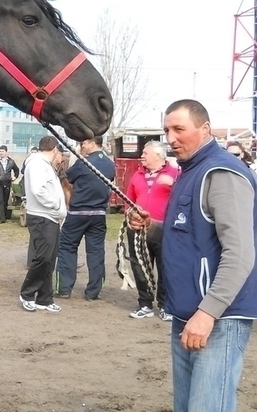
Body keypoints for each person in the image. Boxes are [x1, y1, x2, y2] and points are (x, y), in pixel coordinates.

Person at [129, 99, 256, 412]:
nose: (170, 138)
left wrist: (208, 312)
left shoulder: (222, 173)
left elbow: (241, 253)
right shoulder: (189, 172)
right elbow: (192, 237)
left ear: (205, 129)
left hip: (218, 319)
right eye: (166, 130)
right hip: (187, 315)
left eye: (179, 129)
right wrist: (152, 227)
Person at [55, 136, 116, 300]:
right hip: (99, 214)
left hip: (78, 213)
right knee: (96, 252)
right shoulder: (110, 165)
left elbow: (69, 178)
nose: (81, 146)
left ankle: (64, 288)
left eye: (83, 143)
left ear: (92, 143)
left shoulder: (84, 162)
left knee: (67, 247)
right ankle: (93, 292)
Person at [126, 140, 179, 321]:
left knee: (165, 266)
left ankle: (165, 306)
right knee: (139, 265)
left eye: (145, 153)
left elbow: (185, 198)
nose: (141, 156)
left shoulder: (176, 173)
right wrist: (131, 213)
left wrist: (173, 184)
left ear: (158, 155)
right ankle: (145, 304)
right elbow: (129, 199)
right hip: (139, 229)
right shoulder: (137, 175)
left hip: (165, 228)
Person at [19, 136, 67, 313]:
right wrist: (54, 204)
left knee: (49, 260)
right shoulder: (38, 164)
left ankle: (45, 298)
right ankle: (27, 293)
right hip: (42, 217)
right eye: (59, 152)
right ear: (54, 149)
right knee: (43, 258)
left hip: (51, 218)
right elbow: (37, 190)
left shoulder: (45, 165)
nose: (60, 156)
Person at [0, 145, 19, 223]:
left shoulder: (11, 161)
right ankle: (1, 218)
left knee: (5, 200)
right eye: (0, 151)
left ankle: (5, 216)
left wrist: (15, 177)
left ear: (6, 152)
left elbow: (16, 170)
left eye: (2, 151)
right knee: (0, 201)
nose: (1, 153)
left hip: (7, 183)